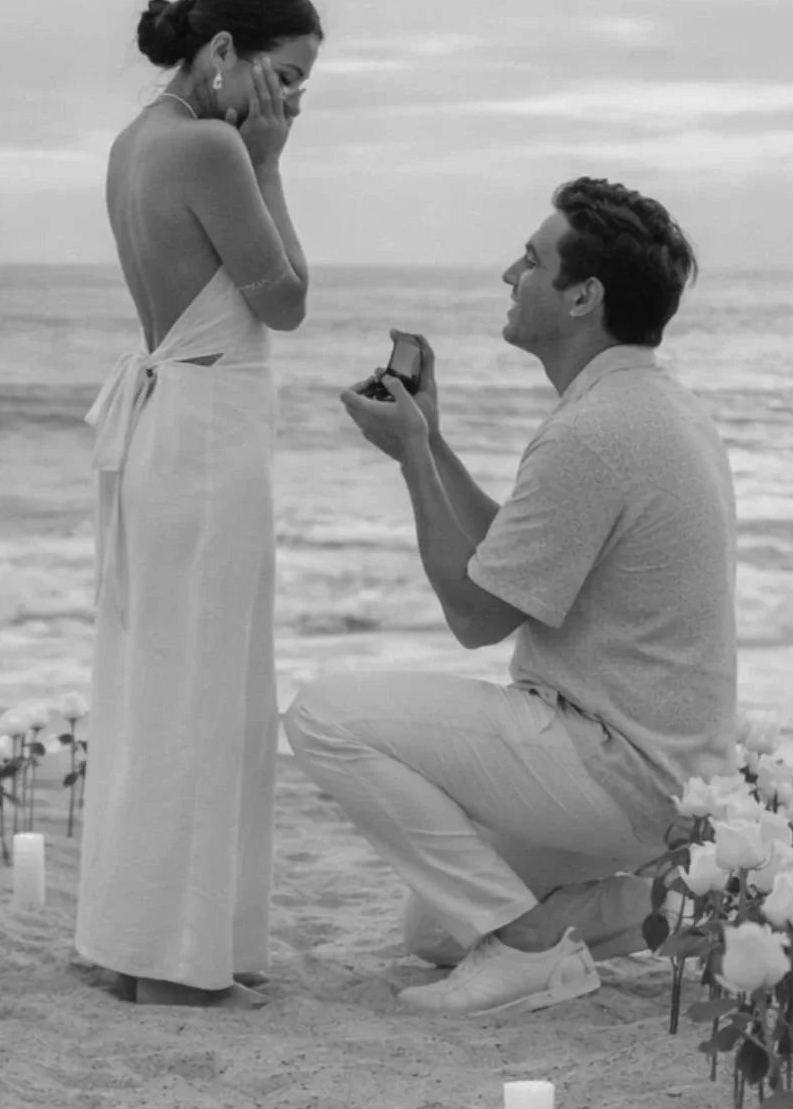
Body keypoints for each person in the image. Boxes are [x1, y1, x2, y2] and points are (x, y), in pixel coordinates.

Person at [281, 178, 737, 1017]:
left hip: (614, 764)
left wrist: (413, 459)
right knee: (435, 927)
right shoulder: (647, 404)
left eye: (530, 260)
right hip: (667, 776)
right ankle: (653, 907)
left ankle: (526, 949)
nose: (508, 273)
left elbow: (476, 616)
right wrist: (435, 443)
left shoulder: (591, 432)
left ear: (581, 296)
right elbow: (517, 565)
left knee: (320, 714)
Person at [74, 0, 323, 1004]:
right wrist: (269, 163)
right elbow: (286, 298)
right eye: (286, 76)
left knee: (157, 684)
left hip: (169, 426)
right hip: (207, 434)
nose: (292, 103)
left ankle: (134, 943)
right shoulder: (213, 145)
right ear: (223, 52)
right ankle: (178, 964)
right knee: (207, 689)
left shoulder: (135, 140)